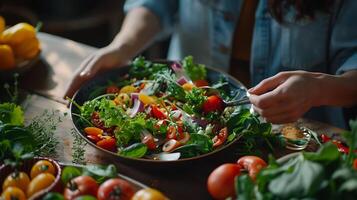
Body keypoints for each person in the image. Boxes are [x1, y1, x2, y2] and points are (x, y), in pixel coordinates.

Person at [65, 0, 357, 128]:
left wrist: (318, 88)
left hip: (295, 131)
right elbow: (157, 4)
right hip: (180, 117)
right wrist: (122, 46)